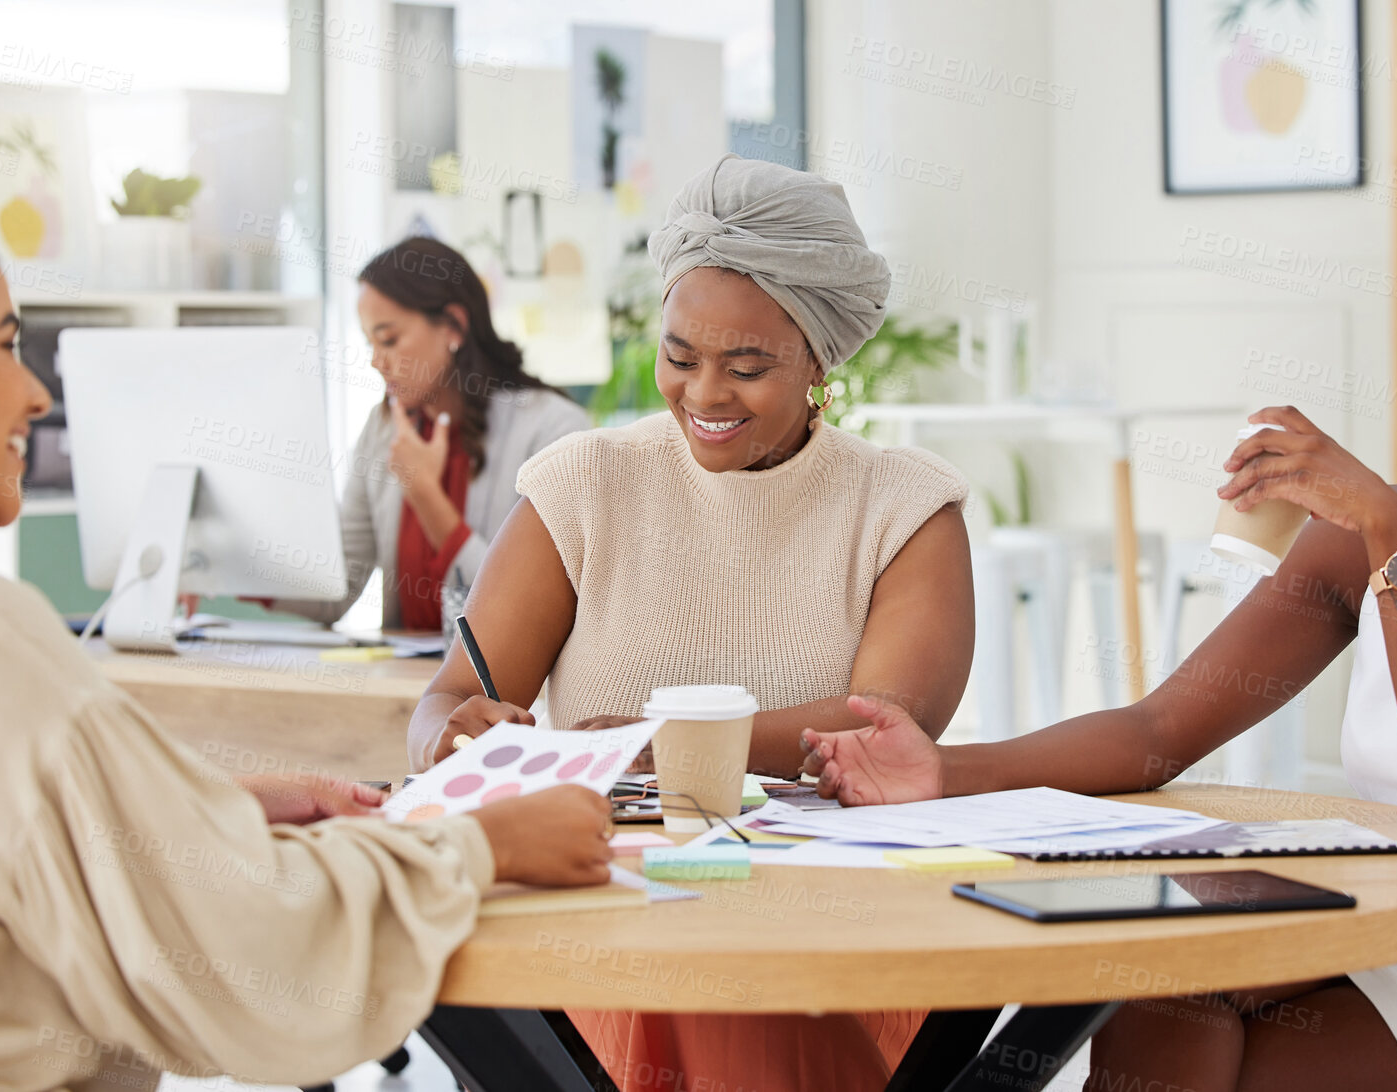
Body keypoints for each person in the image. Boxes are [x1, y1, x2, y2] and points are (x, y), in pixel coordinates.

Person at [801, 242, 1397, 1092]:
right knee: (1163, 985)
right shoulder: (1359, 531)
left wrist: (1386, 531)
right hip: (1393, 931)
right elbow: (1158, 732)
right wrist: (944, 769)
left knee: (1258, 1070)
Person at [0, 205, 615, 1091]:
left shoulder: (553, 438)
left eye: (389, 336)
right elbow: (240, 941)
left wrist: (199, 806)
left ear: (453, 328)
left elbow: (515, 618)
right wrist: (477, 848)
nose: (37, 395)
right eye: (6, 345)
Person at [409, 154, 975, 1091]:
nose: (704, 396)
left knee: (736, 1003)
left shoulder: (903, 507)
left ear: (820, 361)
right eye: (680, 358)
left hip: (830, 922)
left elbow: (878, 730)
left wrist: (655, 744)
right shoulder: (584, 483)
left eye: (748, 368)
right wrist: (449, 734)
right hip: (607, 911)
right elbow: (451, 699)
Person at [268, 236, 588, 631]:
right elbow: (335, 586)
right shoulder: (383, 428)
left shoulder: (553, 430)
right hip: (404, 686)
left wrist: (426, 497)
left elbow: (528, 613)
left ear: (453, 325)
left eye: (388, 339)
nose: (374, 361)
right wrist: (227, 571)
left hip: (500, 692)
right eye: (369, 342)